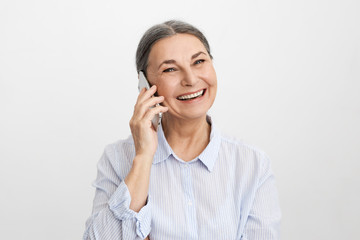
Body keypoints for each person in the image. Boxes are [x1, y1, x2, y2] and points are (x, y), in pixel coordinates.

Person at [83, 20, 281, 240]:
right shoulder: (118, 158)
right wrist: (143, 158)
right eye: (170, 69)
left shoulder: (252, 164)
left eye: (199, 62)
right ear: (145, 85)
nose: (191, 79)